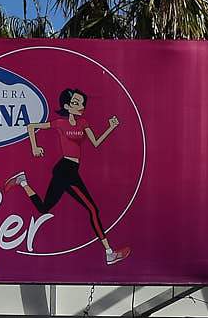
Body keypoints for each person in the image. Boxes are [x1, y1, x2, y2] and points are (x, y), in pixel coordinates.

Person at [7, 88, 131, 265]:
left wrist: (111, 127)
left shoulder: (83, 123)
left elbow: (96, 142)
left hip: (71, 170)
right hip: (65, 170)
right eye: (75, 103)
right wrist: (34, 147)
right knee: (93, 209)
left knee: (43, 208)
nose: (80, 106)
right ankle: (109, 253)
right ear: (66, 106)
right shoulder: (60, 123)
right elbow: (31, 126)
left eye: (81, 103)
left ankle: (23, 181)